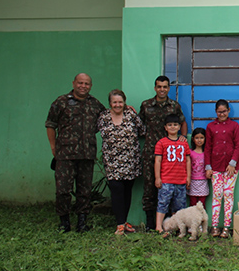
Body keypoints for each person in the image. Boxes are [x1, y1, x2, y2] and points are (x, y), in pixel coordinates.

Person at [45, 73, 105, 232]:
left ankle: (82, 222)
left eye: (86, 84)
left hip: (87, 154)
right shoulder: (61, 102)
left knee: (84, 190)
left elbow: (107, 117)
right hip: (65, 154)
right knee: (63, 190)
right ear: (73, 83)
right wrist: (53, 147)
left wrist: (126, 108)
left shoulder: (95, 104)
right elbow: (50, 124)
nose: (83, 86)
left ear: (90, 86)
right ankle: (64, 222)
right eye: (80, 83)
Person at [139, 76, 188, 231]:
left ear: (168, 88)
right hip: (151, 152)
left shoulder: (174, 106)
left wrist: (183, 139)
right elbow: (139, 124)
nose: (162, 89)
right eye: (159, 86)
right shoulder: (146, 105)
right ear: (155, 88)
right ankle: (150, 223)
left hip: (171, 155)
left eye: (165, 87)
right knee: (150, 186)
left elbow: (183, 122)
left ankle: (169, 223)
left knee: (169, 189)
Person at [97, 89, 145, 235]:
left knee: (127, 191)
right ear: (110, 103)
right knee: (116, 189)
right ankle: (119, 224)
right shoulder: (103, 117)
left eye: (120, 102)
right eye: (114, 102)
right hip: (112, 161)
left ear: (124, 102)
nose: (117, 105)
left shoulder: (131, 115)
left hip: (130, 160)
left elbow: (142, 130)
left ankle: (124, 222)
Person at [205, 99, 239, 238]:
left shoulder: (234, 126)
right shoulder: (210, 127)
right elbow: (207, 147)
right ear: (216, 112)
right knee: (217, 195)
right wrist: (208, 167)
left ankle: (227, 227)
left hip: (231, 168)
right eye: (219, 112)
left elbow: (238, 146)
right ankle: (214, 226)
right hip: (215, 167)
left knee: (228, 195)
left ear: (228, 111)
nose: (222, 114)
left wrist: (232, 164)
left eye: (224, 111)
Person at [154, 114, 192, 234]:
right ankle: (158, 226)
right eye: (169, 125)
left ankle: (176, 227)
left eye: (175, 125)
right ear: (165, 127)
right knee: (163, 203)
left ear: (179, 127)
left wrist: (188, 177)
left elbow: (188, 160)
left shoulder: (184, 143)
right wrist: (157, 177)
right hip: (166, 180)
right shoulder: (161, 143)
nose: (172, 127)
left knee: (179, 206)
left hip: (180, 181)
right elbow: (158, 161)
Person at [187, 127, 209, 209]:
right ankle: (192, 221)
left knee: (202, 205)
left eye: (201, 138)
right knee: (192, 204)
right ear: (193, 139)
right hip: (192, 181)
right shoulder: (190, 152)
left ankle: (201, 221)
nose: (199, 140)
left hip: (203, 181)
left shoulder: (207, 153)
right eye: (197, 138)